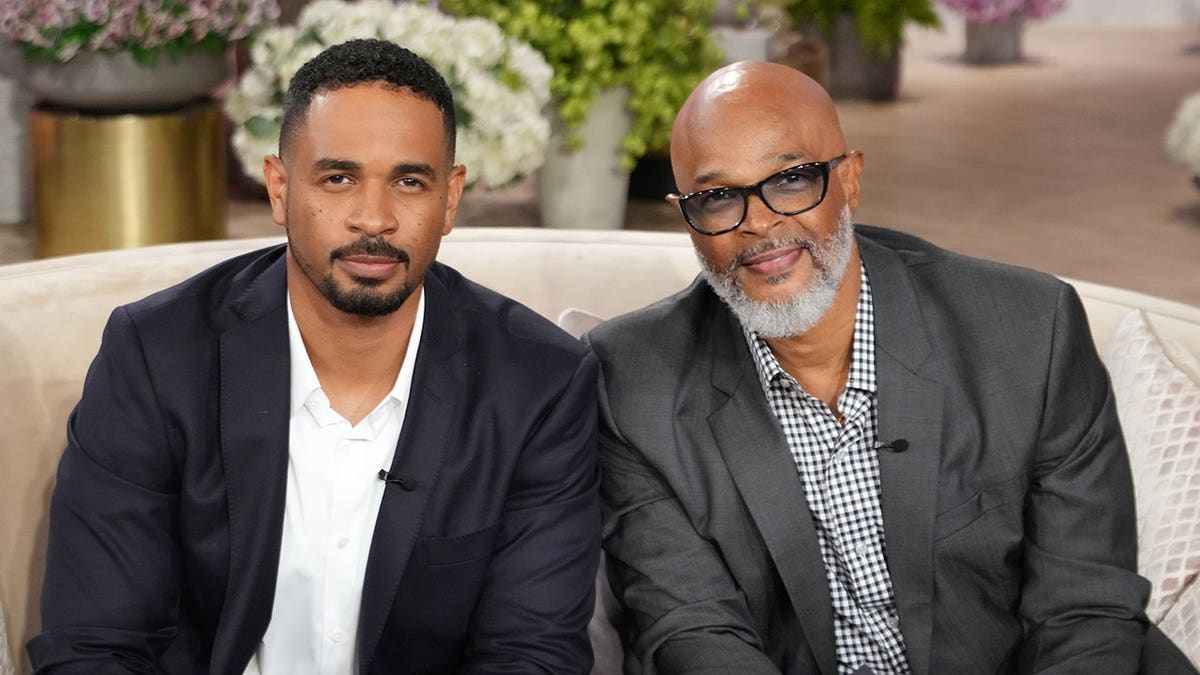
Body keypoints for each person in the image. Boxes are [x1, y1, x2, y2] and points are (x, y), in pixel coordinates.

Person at [586, 61, 1195, 674]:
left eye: (792, 179)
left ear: (849, 179)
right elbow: (691, 629)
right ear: (685, 215)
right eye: (717, 197)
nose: (760, 223)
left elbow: (1084, 610)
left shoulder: (1029, 332)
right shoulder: (632, 381)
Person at [29, 39, 600, 674]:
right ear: (279, 189)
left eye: (409, 181)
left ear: (449, 198)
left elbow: (532, 657)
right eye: (338, 177)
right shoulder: (157, 357)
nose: (373, 218)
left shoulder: (539, 384)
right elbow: (95, 645)